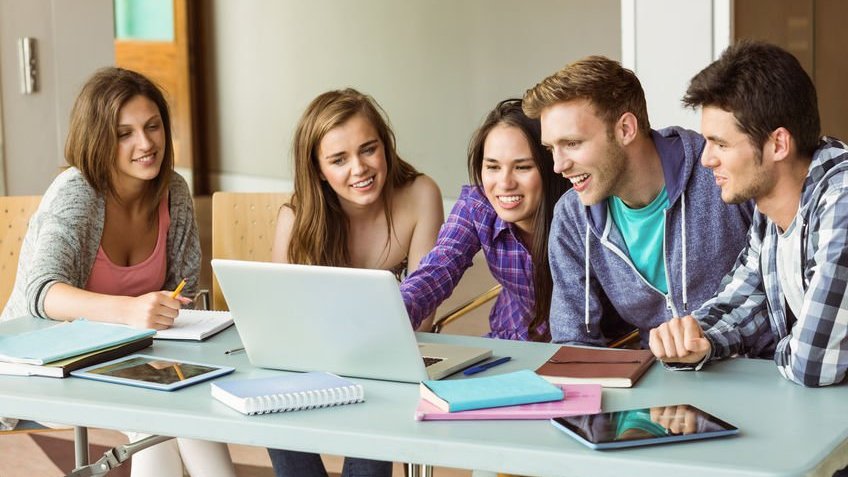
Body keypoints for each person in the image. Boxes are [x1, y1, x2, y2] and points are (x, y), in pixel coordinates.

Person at [0, 68, 235, 476]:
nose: (145, 144)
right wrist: (129, 311)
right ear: (98, 138)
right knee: (157, 416)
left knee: (197, 403)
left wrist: (168, 308)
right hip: (49, 362)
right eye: (124, 133)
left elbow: (183, 290)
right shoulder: (77, 192)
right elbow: (42, 294)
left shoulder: (173, 192)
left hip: (131, 358)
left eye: (153, 127)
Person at [647, 40, 848, 388]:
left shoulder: (841, 202)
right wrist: (693, 337)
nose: (707, 159)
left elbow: (814, 364)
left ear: (778, 144)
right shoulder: (772, 210)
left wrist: (777, 347)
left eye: (721, 144)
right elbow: (742, 303)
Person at [521, 56, 754, 348]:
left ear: (626, 129)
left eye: (572, 144)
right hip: (663, 380)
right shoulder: (573, 214)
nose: (558, 165)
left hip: (756, 370)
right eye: (551, 148)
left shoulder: (721, 175)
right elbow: (573, 341)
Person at [268, 88, 443, 477]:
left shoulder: (419, 195)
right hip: (314, 361)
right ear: (317, 168)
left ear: (386, 145)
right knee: (272, 385)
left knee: (381, 389)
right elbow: (278, 323)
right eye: (338, 159)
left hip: (388, 359)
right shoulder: (296, 217)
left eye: (369, 149)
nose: (359, 168)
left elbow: (425, 316)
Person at [401, 98, 570, 341]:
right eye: (493, 167)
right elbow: (438, 268)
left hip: (593, 349)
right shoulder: (477, 205)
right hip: (513, 340)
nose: (505, 183)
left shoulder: (577, 210)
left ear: (550, 166)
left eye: (522, 167)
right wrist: (393, 315)